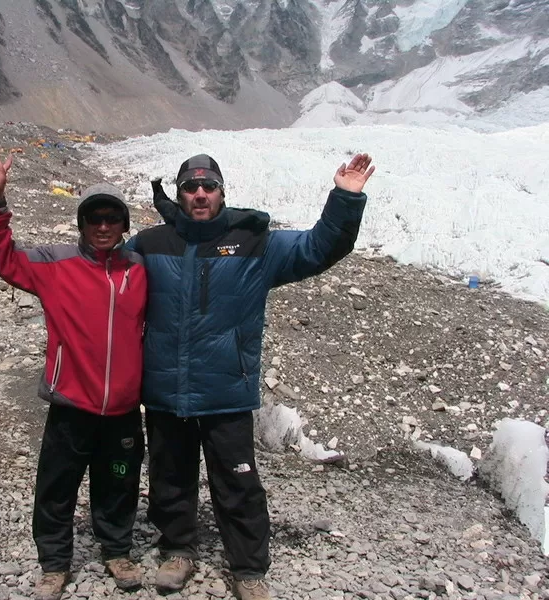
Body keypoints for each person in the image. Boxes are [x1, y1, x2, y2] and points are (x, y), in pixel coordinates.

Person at [128, 153, 375, 599]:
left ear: (222, 192)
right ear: (180, 194)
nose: (199, 194)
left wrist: (344, 198)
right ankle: (178, 548)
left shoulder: (254, 244)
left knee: (238, 482)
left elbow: (319, 247)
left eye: (208, 186)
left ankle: (248, 569)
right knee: (169, 476)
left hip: (226, 389)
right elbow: (104, 281)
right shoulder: (150, 244)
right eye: (189, 187)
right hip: (167, 388)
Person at [0, 151, 148, 600]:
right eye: (94, 217)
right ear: (82, 223)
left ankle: (116, 550)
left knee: (119, 481)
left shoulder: (140, 270)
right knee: (57, 485)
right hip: (72, 402)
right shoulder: (56, 265)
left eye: (113, 217)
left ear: (124, 224)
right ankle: (54, 563)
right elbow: (3, 256)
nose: (104, 225)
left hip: (125, 407)